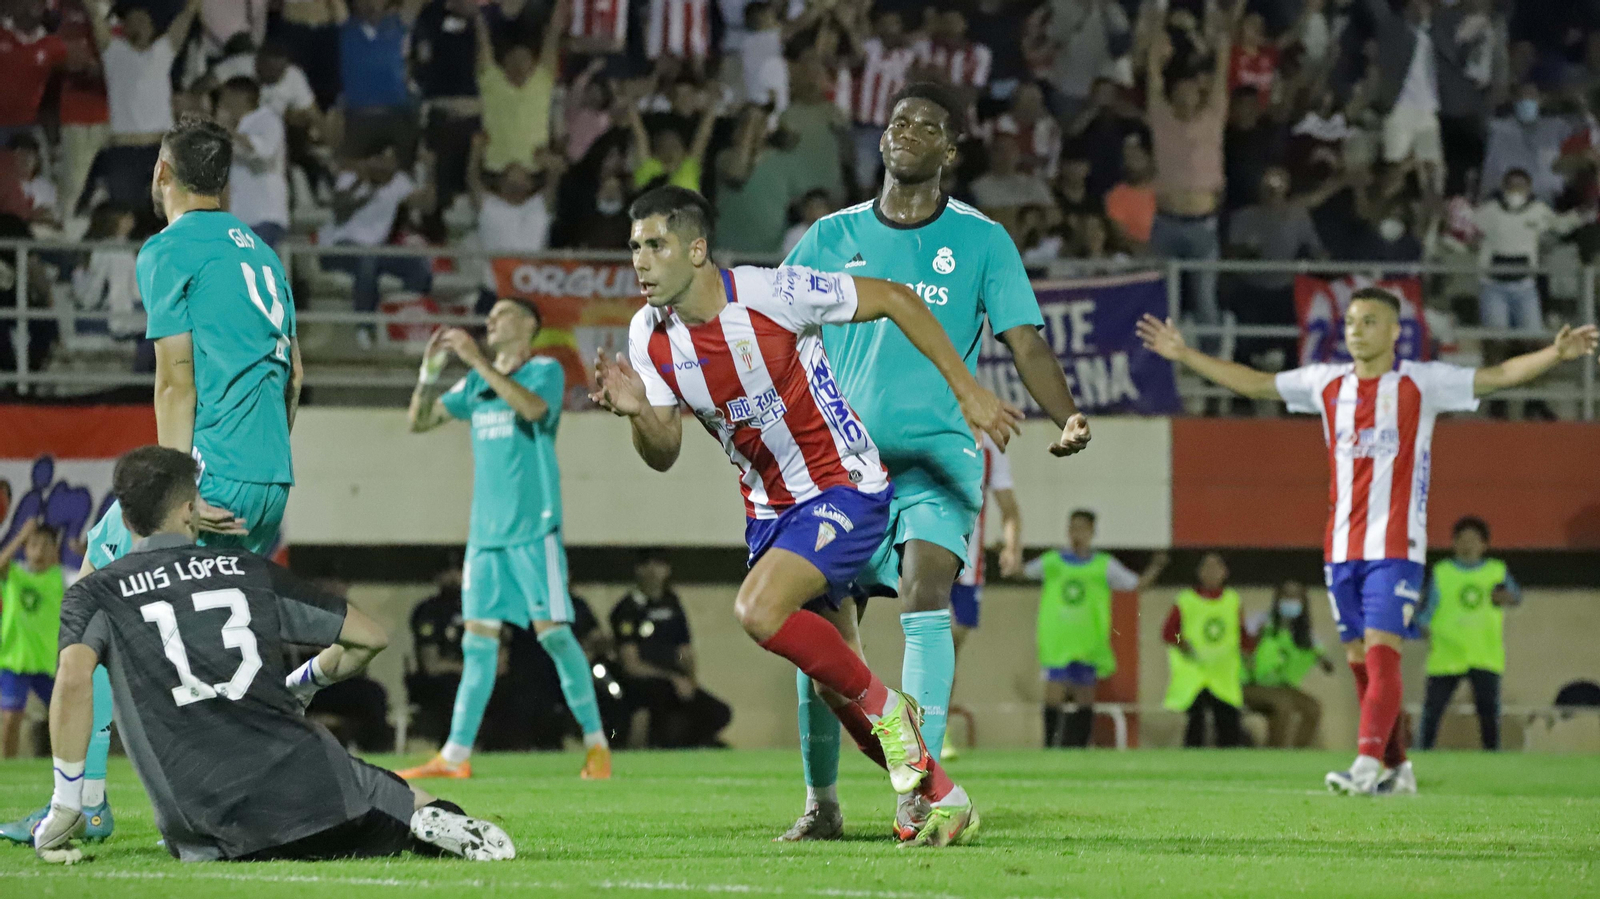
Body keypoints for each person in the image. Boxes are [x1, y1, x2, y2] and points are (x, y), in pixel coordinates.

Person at [592, 185, 1017, 847]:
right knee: (831, 685)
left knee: (758, 611)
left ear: (696, 248)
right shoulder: (648, 337)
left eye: (656, 244)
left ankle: (893, 717)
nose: (640, 261)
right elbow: (665, 451)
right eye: (635, 247)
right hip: (771, 513)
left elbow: (897, 299)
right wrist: (639, 412)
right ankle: (941, 793)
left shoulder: (773, 293)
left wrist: (968, 389)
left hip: (845, 487)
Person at [780, 81, 1091, 843]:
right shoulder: (829, 234)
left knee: (927, 593)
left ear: (951, 151)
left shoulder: (984, 241)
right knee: (817, 629)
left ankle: (914, 794)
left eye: (925, 125)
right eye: (897, 121)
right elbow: (771, 327)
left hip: (940, 456)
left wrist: (1066, 411)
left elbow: (1026, 341)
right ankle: (822, 802)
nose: (906, 131)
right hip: (842, 464)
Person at [1136, 289, 1598, 794]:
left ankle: (1365, 764)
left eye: (1370, 321)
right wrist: (1185, 355)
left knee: (1381, 654)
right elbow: (1258, 384)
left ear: (1395, 331)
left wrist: (1556, 353)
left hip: (1396, 547)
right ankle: (1399, 770)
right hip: (1340, 548)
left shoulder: (1421, 383)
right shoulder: (1325, 383)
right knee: (1359, 660)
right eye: (1352, 321)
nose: (1357, 329)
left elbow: (1498, 376)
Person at [0, 114, 303, 846]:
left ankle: (81, 800)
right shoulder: (265, 254)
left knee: (89, 602)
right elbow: (294, 377)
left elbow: (174, 375)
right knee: (197, 640)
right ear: (225, 183)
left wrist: (177, 492)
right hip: (271, 474)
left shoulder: (168, 249)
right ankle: (259, 795)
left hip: (208, 475)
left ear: (162, 174)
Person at [29, 446, 513, 864]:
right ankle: (432, 818)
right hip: (311, 785)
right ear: (188, 508)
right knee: (403, 803)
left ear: (126, 516)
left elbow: (73, 683)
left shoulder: (94, 593)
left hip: (204, 822)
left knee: (222, 832)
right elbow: (370, 636)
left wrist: (67, 805)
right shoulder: (246, 568)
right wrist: (301, 684)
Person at [400, 297, 612, 781]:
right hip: (486, 535)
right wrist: (431, 371)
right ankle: (454, 756)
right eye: (490, 317)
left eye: (502, 315)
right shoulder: (475, 383)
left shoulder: (545, 371)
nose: (491, 322)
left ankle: (597, 745)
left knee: (555, 635)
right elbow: (420, 420)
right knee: (478, 644)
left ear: (530, 325)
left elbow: (534, 411)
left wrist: (474, 359)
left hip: (533, 529)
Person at [1023, 509, 1165, 748]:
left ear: (1092, 532)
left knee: (1084, 698)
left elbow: (1136, 585)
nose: (1077, 533)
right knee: (1053, 696)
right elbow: (1020, 571)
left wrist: (1156, 567)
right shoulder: (1053, 562)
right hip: (1058, 642)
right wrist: (1005, 552)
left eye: (1082, 528)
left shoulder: (1103, 565)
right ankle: (1049, 746)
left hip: (1088, 642)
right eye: (1073, 528)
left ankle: (1080, 747)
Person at [609, 550, 731, 748]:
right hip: (645, 683)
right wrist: (671, 678)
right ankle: (658, 746)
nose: (655, 571)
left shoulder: (672, 604)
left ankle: (688, 745)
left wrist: (689, 679)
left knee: (719, 712)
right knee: (660, 698)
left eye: (660, 565)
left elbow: (684, 649)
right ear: (638, 570)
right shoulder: (627, 609)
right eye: (649, 565)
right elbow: (631, 664)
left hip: (676, 680)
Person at [1418, 516, 1520, 751]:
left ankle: (1492, 756)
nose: (1468, 545)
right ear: (1453, 543)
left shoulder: (1497, 571)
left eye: (1474, 540)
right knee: (1433, 711)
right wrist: (1422, 629)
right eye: (1462, 540)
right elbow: (1426, 609)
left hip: (1484, 653)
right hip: (1447, 652)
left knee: (1488, 712)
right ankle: (1421, 753)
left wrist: (1506, 598)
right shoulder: (1442, 572)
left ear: (1484, 545)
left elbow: (1515, 597)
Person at [1163, 552, 1247, 748]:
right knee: (1196, 721)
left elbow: (1242, 634)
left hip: (1223, 672)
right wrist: (1181, 641)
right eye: (1207, 568)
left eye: (1216, 568)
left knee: (1228, 722)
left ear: (1224, 572)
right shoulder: (1186, 600)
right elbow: (1169, 632)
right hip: (1195, 671)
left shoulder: (1233, 600)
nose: (1211, 573)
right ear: (1199, 572)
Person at [1243, 581, 1333, 749]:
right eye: (1287, 596)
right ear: (1277, 599)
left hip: (1283, 687)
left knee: (1313, 708)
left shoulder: (1304, 635)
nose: (1291, 601)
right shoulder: (1261, 622)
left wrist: (1323, 660)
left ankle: (1296, 754)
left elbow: (1324, 660)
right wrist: (1255, 640)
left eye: (1296, 597)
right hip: (1251, 685)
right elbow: (1243, 647)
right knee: (1283, 705)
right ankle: (1274, 752)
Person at [0, 519, 62, 758]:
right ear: (25, 547)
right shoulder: (14, 575)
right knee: (11, 719)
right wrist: (19, 538)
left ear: (55, 551)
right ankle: (9, 769)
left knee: (65, 714)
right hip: (16, 660)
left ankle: (70, 763)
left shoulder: (61, 578)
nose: (39, 551)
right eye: (34, 544)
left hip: (47, 661)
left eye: (46, 546)